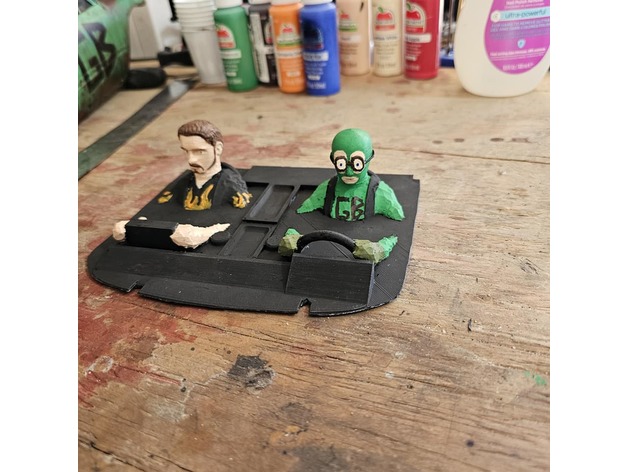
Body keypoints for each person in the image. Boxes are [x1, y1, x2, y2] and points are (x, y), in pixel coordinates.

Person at [113, 119, 252, 248]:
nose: (191, 160)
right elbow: (161, 208)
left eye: (199, 152)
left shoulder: (232, 188)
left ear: (218, 148)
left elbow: (235, 218)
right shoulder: (183, 183)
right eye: (186, 151)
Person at [279, 128, 404, 263]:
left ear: (369, 158)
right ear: (332, 159)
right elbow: (302, 211)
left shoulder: (382, 194)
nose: (349, 172)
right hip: (325, 248)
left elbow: (398, 223)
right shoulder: (326, 189)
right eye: (341, 164)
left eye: (357, 164)